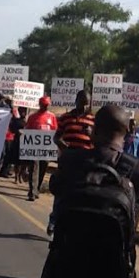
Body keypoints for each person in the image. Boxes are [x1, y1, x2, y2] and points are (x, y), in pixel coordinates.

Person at [49, 104, 139, 278]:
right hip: (115, 271)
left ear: (95, 129)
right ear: (128, 133)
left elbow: (56, 188)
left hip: (71, 264)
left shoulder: (71, 161)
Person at [48, 90, 95, 235]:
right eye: (82, 102)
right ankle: (54, 220)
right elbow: (56, 137)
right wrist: (63, 145)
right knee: (61, 192)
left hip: (84, 164)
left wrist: (90, 134)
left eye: (87, 104)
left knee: (81, 195)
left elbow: (98, 143)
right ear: (76, 101)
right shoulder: (65, 117)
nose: (84, 106)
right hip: (67, 161)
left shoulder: (94, 121)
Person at [25, 96, 58, 201]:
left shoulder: (52, 117)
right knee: (34, 168)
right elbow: (27, 131)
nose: (46, 107)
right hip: (34, 146)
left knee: (43, 167)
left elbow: (55, 131)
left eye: (47, 105)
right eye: (44, 105)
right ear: (40, 105)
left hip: (46, 148)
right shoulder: (33, 117)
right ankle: (32, 191)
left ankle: (37, 189)